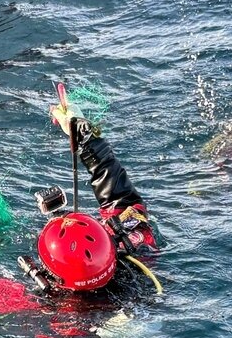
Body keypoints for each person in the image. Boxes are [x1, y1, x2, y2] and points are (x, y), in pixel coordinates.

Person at [13, 104, 159, 297]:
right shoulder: (137, 239)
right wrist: (83, 136)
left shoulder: (53, 313)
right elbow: (118, 194)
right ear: (110, 244)